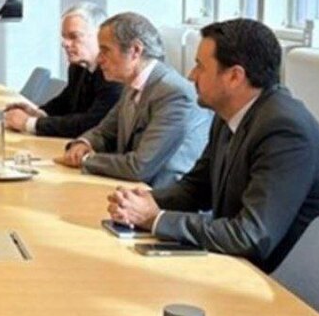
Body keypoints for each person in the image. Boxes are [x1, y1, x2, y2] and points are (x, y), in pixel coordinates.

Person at [107, 18, 319, 273]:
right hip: (252, 267)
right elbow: (197, 188)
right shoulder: (228, 114)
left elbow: (250, 236)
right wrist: (145, 200)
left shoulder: (284, 130)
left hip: (296, 280)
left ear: (235, 76)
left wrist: (155, 218)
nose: (191, 76)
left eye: (200, 66)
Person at [56, 11, 209, 188]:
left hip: (161, 197)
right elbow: (104, 131)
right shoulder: (131, 84)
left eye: (105, 50)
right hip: (131, 190)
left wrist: (86, 159)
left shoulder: (174, 94)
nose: (99, 59)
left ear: (135, 50)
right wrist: (84, 143)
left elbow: (140, 167)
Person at [6, 3, 121, 138]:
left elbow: (92, 124)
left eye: (74, 36)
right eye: (64, 37)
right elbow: (65, 101)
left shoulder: (113, 74)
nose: (64, 43)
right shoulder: (77, 67)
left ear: (99, 36)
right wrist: (39, 113)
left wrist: (30, 123)